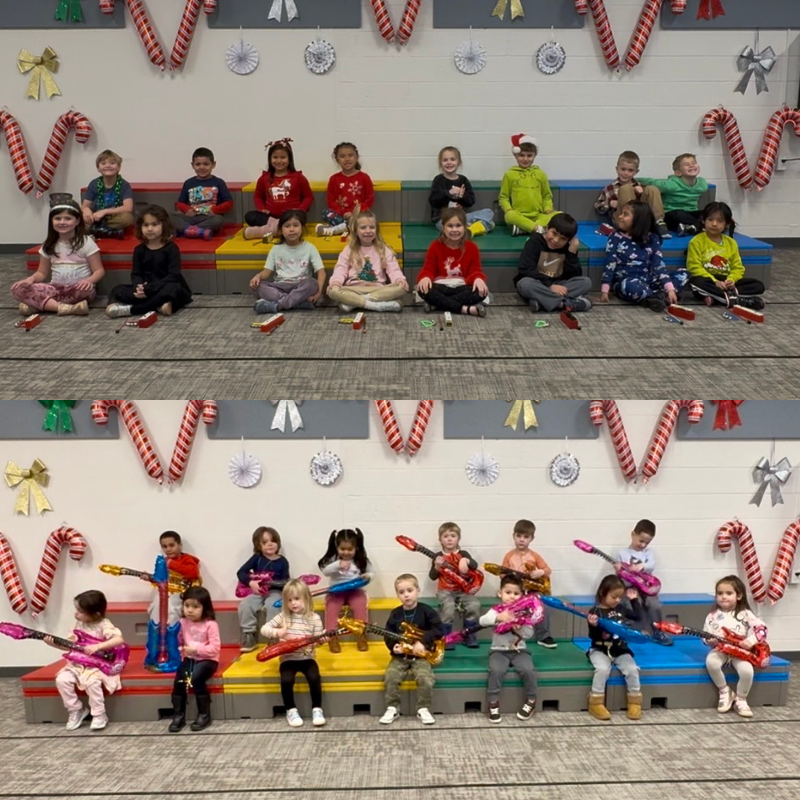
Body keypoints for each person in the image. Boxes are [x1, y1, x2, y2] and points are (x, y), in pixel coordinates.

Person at [11, 193, 104, 317]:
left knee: (86, 291)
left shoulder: (86, 242)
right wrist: (30, 279)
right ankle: (67, 308)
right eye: (58, 218)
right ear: (52, 221)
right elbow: (42, 273)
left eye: (68, 218)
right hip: (55, 288)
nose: (62, 222)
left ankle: (40, 305)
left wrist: (89, 280)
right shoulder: (48, 245)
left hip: (77, 288)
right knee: (18, 289)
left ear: (77, 221)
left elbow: (99, 270)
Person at [45, 590, 124, 731]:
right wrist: (53, 644)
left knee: (92, 682)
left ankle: (99, 714)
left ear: (96, 614)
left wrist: (98, 646)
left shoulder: (104, 624)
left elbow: (118, 639)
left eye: (80, 611)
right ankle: (76, 709)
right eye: (77, 610)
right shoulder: (78, 625)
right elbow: (69, 647)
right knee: (62, 680)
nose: (76, 614)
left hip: (97, 665)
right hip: (78, 664)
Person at [105, 205, 193, 319]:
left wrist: (152, 288)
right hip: (147, 289)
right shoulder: (139, 250)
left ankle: (132, 310)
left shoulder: (171, 248)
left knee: (173, 290)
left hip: (164, 286)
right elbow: (136, 273)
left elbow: (174, 275)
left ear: (164, 226)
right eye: (146, 225)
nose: (150, 229)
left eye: (154, 224)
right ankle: (158, 306)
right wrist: (138, 287)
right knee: (117, 290)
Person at [599, 201, 687, 312]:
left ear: (639, 220)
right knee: (630, 286)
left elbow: (658, 264)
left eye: (625, 214)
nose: (620, 217)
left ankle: (658, 296)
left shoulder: (652, 238)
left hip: (648, 279)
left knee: (683, 274)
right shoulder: (615, 237)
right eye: (621, 213)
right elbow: (609, 263)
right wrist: (605, 290)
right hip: (627, 281)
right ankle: (656, 297)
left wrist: (669, 288)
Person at [379, 574, 443, 726]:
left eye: (409, 590)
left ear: (418, 591)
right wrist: (394, 646)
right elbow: (388, 634)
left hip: (421, 656)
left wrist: (423, 642)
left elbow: (438, 630)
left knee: (425, 678)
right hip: (400, 656)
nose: (406, 595)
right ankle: (392, 707)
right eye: (401, 592)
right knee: (391, 676)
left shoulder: (427, 611)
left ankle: (423, 708)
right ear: (398, 595)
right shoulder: (395, 614)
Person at [261, 579, 327, 727]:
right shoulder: (283, 616)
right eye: (289, 600)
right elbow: (264, 629)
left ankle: (317, 709)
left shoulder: (314, 618)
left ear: (306, 598)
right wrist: (278, 632)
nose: (293, 603)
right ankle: (290, 710)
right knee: (287, 680)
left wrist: (322, 639)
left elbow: (316, 641)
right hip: (288, 658)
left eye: (297, 599)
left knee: (314, 677)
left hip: (307, 657)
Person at [704, 575, 768, 719]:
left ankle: (741, 699)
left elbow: (762, 629)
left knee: (747, 671)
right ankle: (725, 691)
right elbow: (705, 636)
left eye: (728, 593)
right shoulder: (712, 616)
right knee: (711, 663)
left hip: (740, 651)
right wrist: (709, 641)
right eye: (720, 593)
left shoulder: (745, 613)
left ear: (738, 595)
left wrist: (751, 641)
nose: (723, 597)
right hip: (720, 649)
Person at [686, 201, 765, 310]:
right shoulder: (696, 241)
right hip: (709, 280)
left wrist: (731, 280)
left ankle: (723, 297)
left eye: (720, 221)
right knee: (696, 282)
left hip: (727, 281)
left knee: (758, 285)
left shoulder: (731, 243)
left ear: (727, 224)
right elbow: (694, 267)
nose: (714, 224)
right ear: (704, 221)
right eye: (710, 220)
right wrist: (715, 282)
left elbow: (738, 267)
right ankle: (734, 299)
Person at [481, 574, 538, 723]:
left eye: (516, 593)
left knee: (528, 670)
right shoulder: (497, 610)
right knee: (496, 670)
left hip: (519, 651)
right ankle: (493, 703)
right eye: (508, 592)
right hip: (499, 651)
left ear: (522, 595)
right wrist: (499, 617)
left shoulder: (525, 613)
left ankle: (531, 700)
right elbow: (482, 621)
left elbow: (529, 634)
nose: (512, 596)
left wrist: (519, 629)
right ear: (500, 593)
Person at [586, 575, 644, 721]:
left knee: (632, 669)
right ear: (602, 593)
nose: (617, 600)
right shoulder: (595, 612)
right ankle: (596, 702)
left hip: (620, 649)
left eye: (620, 597)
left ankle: (634, 701)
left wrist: (634, 600)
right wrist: (593, 626)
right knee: (602, 669)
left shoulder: (621, 609)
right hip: (600, 649)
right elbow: (593, 637)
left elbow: (638, 616)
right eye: (614, 597)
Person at [326, 211, 408, 312]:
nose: (368, 231)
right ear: (356, 231)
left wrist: (399, 279)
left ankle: (354, 303)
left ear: (376, 230)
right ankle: (375, 305)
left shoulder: (383, 249)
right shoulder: (349, 249)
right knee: (333, 291)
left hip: (377, 289)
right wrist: (335, 282)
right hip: (354, 289)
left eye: (372, 227)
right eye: (363, 227)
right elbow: (340, 269)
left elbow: (393, 269)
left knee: (402, 288)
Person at [416, 207, 490, 316]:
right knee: (422, 289)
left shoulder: (472, 247)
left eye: (458, 226)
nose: (454, 230)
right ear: (443, 228)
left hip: (461, 287)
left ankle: (438, 304)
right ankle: (465, 309)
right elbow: (428, 269)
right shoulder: (435, 246)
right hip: (441, 286)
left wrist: (478, 278)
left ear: (465, 227)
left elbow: (474, 270)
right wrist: (425, 277)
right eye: (450, 226)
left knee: (481, 291)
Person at [248, 209, 325, 314]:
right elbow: (267, 272)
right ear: (280, 230)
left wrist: (318, 292)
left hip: (300, 285)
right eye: (287, 226)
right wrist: (258, 276)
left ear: (302, 228)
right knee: (256, 287)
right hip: (280, 286)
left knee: (313, 283)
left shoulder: (310, 248)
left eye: (295, 225)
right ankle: (296, 303)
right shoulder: (276, 249)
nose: (292, 229)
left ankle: (278, 306)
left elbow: (321, 272)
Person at [514, 212, 592, 313]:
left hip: (559, 284)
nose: (556, 240)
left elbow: (574, 276)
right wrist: (549, 286)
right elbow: (525, 269)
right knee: (524, 284)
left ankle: (543, 303)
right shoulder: (535, 242)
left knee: (586, 282)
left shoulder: (568, 248)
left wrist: (572, 253)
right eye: (554, 233)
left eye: (562, 239)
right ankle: (565, 304)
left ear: (569, 240)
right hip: (539, 284)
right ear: (547, 228)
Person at [168, 586, 220, 733]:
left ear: (205, 607)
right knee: (179, 680)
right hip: (190, 658)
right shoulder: (183, 622)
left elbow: (215, 649)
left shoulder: (211, 624)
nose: (190, 610)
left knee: (196, 678)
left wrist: (196, 649)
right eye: (187, 606)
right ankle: (179, 715)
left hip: (208, 660)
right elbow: (179, 642)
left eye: (195, 607)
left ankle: (204, 715)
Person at [243, 137, 313, 242]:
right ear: (270, 159)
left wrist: (301, 209)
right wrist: (261, 208)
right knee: (250, 216)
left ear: (289, 159)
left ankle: (267, 231)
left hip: (292, 216)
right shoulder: (264, 178)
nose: (279, 161)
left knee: (300, 218)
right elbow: (258, 196)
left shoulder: (298, 177)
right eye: (275, 157)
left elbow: (308, 197)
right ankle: (283, 229)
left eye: (283, 157)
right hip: (270, 217)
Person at [501, 519, 556, 648]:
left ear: (532, 538)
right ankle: (512, 636)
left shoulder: (535, 556)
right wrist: (510, 576)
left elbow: (548, 570)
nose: (521, 540)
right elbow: (502, 574)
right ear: (513, 536)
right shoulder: (509, 556)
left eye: (526, 537)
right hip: (516, 592)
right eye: (518, 536)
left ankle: (544, 636)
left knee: (543, 606)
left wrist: (540, 572)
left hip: (532, 591)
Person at [617, 519, 671, 645]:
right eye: (641, 541)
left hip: (646, 588)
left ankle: (658, 631)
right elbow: (620, 574)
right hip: (630, 587)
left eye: (647, 543)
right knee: (631, 604)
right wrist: (619, 570)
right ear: (633, 534)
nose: (643, 545)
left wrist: (643, 566)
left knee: (654, 605)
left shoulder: (648, 554)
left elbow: (651, 565)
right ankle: (633, 631)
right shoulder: (622, 553)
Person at [318, 528, 372, 653]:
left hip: (355, 590)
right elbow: (325, 572)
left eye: (350, 549)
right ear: (337, 547)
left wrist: (368, 576)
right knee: (331, 607)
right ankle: (332, 636)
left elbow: (371, 572)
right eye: (342, 549)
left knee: (360, 605)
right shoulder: (333, 560)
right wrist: (337, 565)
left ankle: (361, 635)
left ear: (356, 548)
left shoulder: (360, 560)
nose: (346, 552)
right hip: (336, 592)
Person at [428, 521, 481, 650]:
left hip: (462, 590)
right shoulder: (438, 556)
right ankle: (447, 637)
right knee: (449, 607)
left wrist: (466, 560)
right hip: (445, 591)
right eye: (445, 536)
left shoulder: (464, 554)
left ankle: (469, 635)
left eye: (453, 535)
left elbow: (475, 565)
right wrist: (437, 566)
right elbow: (432, 576)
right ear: (440, 540)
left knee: (474, 604)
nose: (449, 539)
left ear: (459, 538)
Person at [237, 526, 289, 653]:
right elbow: (241, 572)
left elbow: (286, 580)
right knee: (245, 604)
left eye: (272, 541)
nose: (269, 544)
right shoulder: (257, 558)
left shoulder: (282, 561)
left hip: (275, 592)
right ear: (258, 545)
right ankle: (249, 635)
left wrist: (275, 584)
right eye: (265, 542)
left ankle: (272, 636)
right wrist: (251, 583)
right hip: (258, 592)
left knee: (273, 604)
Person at [594, 150, 669, 238]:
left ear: (636, 172)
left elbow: (645, 207)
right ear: (617, 169)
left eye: (630, 170)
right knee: (626, 189)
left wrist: (641, 194)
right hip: (622, 220)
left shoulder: (640, 186)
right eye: (623, 169)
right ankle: (629, 226)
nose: (626, 173)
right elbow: (598, 206)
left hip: (640, 220)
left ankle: (659, 222)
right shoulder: (610, 188)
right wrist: (609, 204)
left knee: (652, 189)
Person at [499, 134, 561, 236]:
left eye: (529, 155)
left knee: (560, 215)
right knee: (509, 216)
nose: (525, 159)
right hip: (519, 216)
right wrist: (508, 209)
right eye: (521, 155)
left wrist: (548, 209)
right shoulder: (509, 174)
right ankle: (538, 229)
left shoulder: (540, 174)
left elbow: (547, 196)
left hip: (538, 216)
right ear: (516, 155)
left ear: (534, 156)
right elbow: (503, 197)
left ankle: (525, 229)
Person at [428, 146, 495, 237]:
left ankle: (470, 230)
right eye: (445, 160)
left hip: (461, 218)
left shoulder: (463, 180)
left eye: (452, 159)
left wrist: (463, 196)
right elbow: (433, 200)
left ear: (459, 162)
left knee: (488, 212)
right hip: (443, 220)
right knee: (443, 226)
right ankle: (477, 226)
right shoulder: (438, 180)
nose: (449, 162)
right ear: (440, 163)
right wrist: (449, 193)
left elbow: (471, 202)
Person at [638, 153, 709, 236]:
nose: (691, 165)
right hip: (671, 214)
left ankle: (691, 228)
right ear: (678, 172)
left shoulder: (702, 184)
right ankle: (699, 226)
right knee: (679, 214)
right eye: (687, 164)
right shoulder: (671, 185)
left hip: (691, 213)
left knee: (710, 211)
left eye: (694, 163)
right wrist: (634, 179)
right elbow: (653, 182)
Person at [171, 147, 233, 239]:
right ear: (192, 165)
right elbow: (180, 203)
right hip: (192, 217)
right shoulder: (188, 183)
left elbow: (229, 203)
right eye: (198, 164)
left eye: (206, 164)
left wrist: (215, 210)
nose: (202, 167)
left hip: (208, 218)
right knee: (169, 216)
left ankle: (186, 230)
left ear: (213, 164)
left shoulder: (219, 182)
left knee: (219, 220)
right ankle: (198, 231)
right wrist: (187, 210)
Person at [316, 142, 374, 238]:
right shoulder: (334, 179)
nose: (347, 159)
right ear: (337, 159)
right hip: (341, 216)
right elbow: (331, 201)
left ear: (357, 157)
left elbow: (369, 199)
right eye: (342, 156)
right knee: (325, 213)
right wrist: (343, 213)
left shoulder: (364, 177)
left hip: (358, 215)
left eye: (350, 155)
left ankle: (335, 229)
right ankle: (349, 227)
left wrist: (354, 213)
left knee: (367, 218)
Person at [80, 149, 135, 238]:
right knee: (79, 218)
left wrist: (105, 212)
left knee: (127, 218)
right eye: (103, 163)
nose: (108, 166)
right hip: (96, 216)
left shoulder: (124, 185)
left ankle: (98, 230)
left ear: (119, 167)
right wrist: (86, 211)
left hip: (113, 217)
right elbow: (85, 206)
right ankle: (109, 231)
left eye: (112, 163)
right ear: (98, 168)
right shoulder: (94, 183)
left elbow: (128, 208)